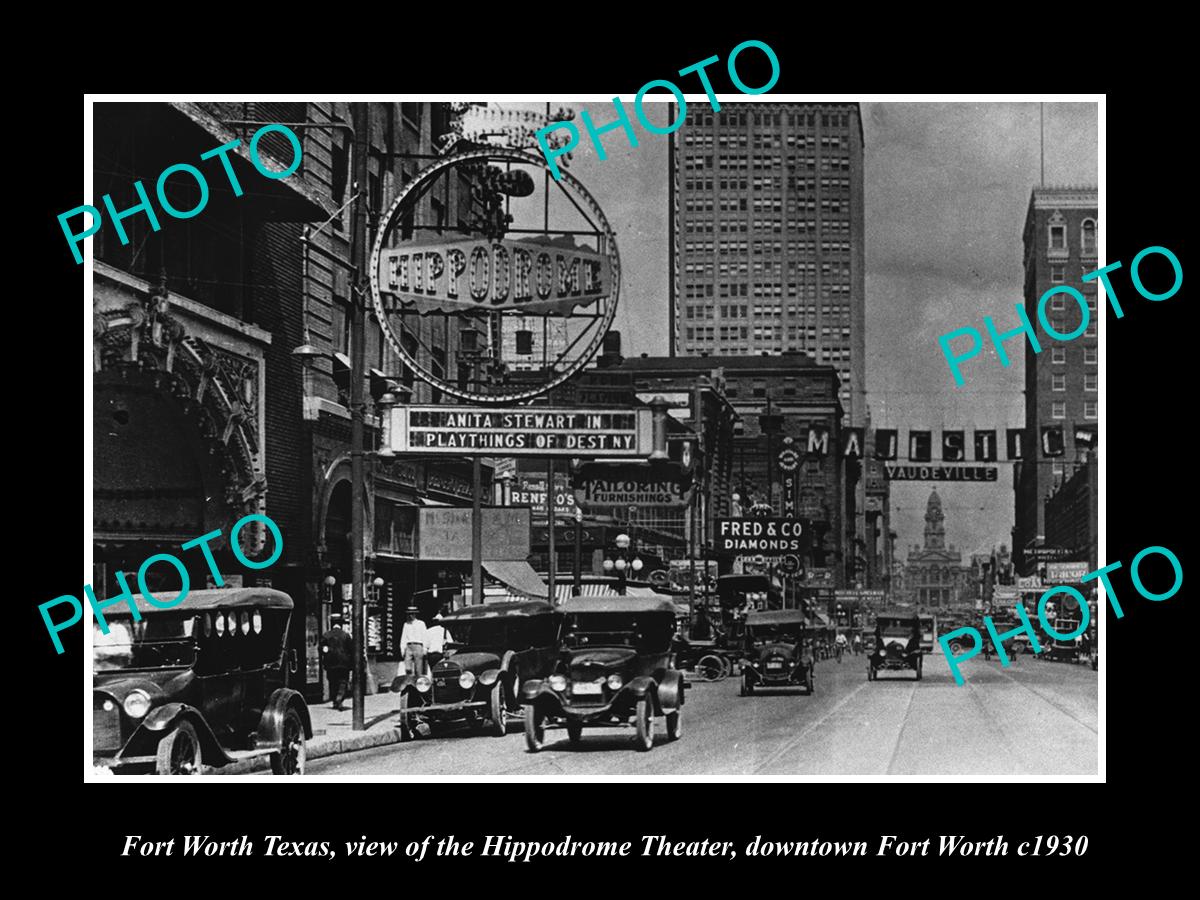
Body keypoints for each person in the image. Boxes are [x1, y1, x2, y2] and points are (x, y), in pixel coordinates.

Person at [320, 614, 353, 711]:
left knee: (332, 682)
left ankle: (335, 700)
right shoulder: (346, 635)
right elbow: (351, 650)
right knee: (343, 682)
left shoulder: (326, 635)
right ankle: (339, 698)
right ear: (341, 624)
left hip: (331, 663)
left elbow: (321, 649)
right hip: (344, 664)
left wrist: (326, 652)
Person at [400, 606, 428, 678]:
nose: (410, 615)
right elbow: (404, 637)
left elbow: (424, 636)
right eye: (409, 614)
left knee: (418, 668)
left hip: (418, 645)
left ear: (415, 614)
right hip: (409, 646)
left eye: (412, 614)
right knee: (407, 667)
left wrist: (425, 648)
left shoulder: (421, 623)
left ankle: (418, 684)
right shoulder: (406, 624)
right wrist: (402, 649)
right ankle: (409, 683)